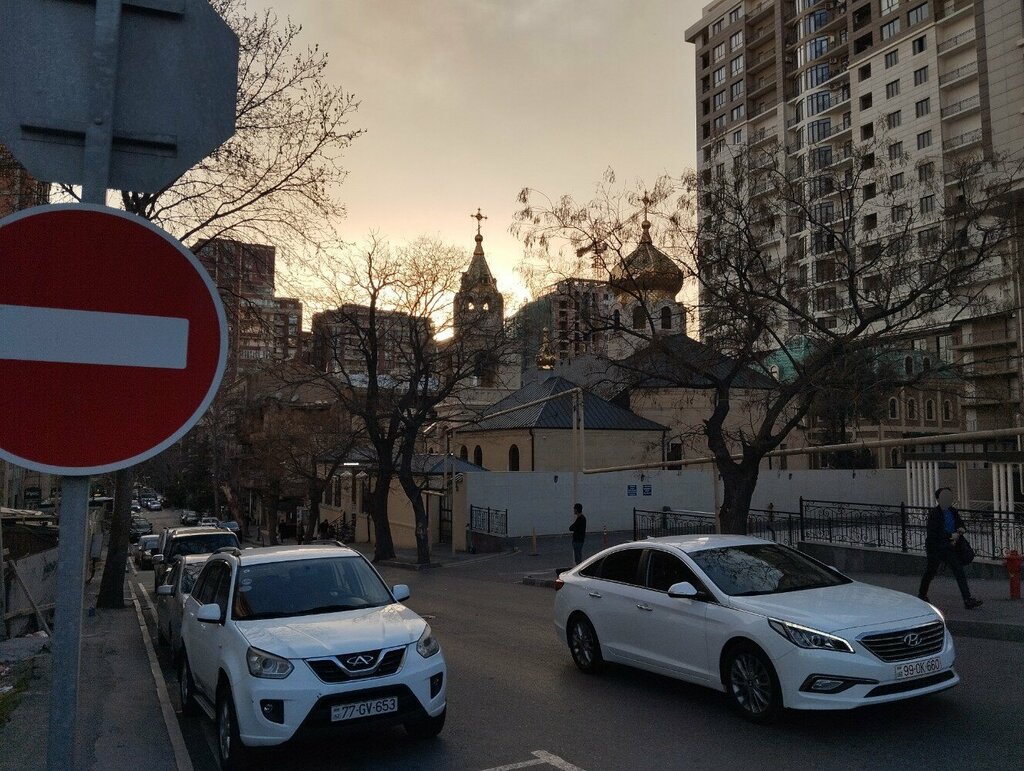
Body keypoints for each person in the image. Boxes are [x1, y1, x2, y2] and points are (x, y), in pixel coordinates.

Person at [918, 487, 983, 610]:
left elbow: (960, 523)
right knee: (930, 571)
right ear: (938, 499)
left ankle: (967, 599)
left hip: (950, 547)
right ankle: (921, 594)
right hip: (936, 548)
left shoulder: (952, 511)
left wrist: (961, 529)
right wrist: (949, 535)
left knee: (959, 571)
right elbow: (933, 534)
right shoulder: (935, 514)